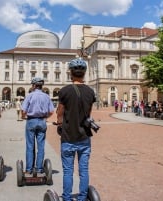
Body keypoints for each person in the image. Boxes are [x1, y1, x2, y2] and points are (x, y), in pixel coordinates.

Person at [56, 58, 96, 201]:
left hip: (68, 137)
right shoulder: (90, 92)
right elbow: (89, 114)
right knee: (84, 171)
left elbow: (59, 113)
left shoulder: (64, 91)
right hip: (84, 137)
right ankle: (82, 197)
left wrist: (59, 124)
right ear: (84, 73)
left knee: (68, 171)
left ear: (70, 73)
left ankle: (66, 198)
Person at [21, 77, 54, 176]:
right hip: (42, 121)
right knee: (41, 146)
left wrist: (23, 117)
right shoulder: (46, 96)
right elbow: (52, 111)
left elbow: (23, 110)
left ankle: (29, 169)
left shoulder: (30, 95)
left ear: (34, 86)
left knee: (30, 146)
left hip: (31, 120)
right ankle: (39, 169)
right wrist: (45, 117)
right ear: (41, 86)